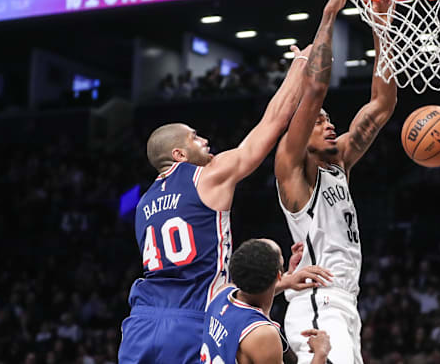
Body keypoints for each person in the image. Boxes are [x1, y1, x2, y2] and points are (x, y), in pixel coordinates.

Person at [118, 43, 332, 364]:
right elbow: (271, 124)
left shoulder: (143, 204)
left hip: (139, 325)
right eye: (194, 137)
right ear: (179, 154)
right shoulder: (205, 177)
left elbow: (186, 275)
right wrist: (300, 64)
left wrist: (279, 282)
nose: (204, 140)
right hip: (189, 322)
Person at [274, 0, 398, 364]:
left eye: (330, 120)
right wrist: (330, 14)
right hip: (317, 302)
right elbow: (315, 91)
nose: (329, 124)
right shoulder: (292, 167)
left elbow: (382, 103)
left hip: (345, 302)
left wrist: (382, 26)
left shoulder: (339, 161)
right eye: (318, 122)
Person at [200, 239, 331, 364]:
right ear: (279, 275)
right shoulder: (263, 335)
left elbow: (251, 290)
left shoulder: (222, 293)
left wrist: (288, 281)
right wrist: (321, 353)